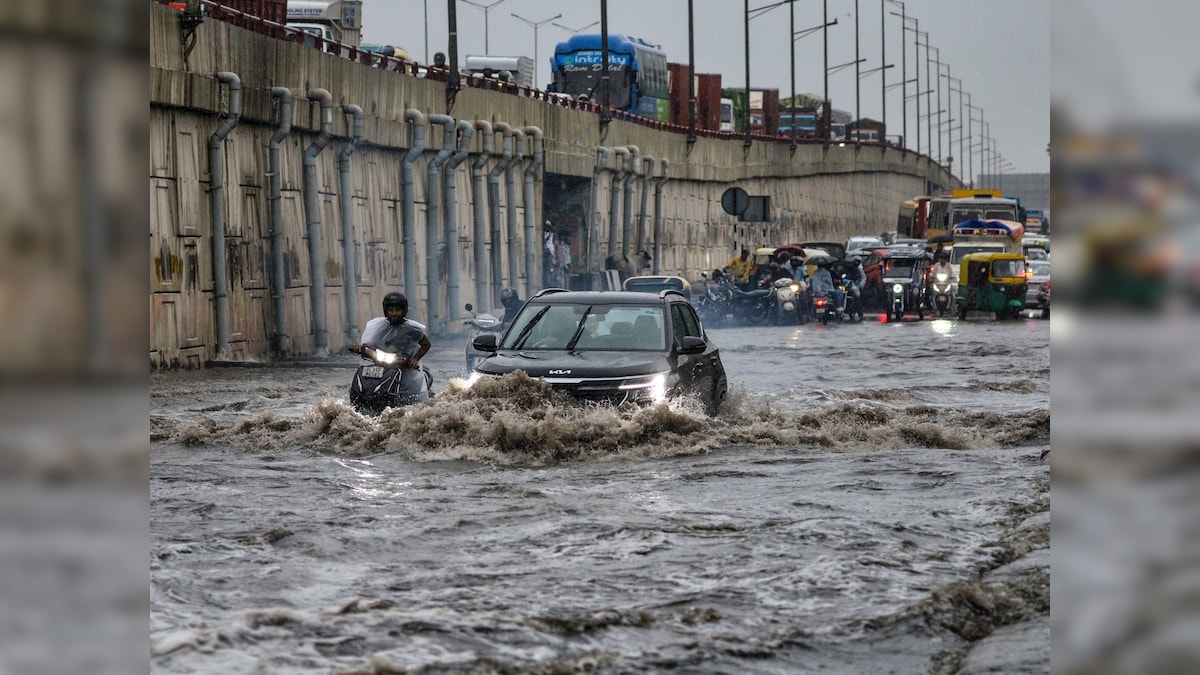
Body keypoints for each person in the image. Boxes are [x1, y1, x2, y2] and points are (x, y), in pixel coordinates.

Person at [350, 292, 431, 370]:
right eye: (391, 310)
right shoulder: (378, 326)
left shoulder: (412, 329)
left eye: (397, 310)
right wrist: (360, 348)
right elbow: (370, 343)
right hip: (380, 364)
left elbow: (426, 344)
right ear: (386, 311)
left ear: (403, 310)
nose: (394, 313)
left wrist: (415, 359)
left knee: (408, 384)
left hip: (404, 367)